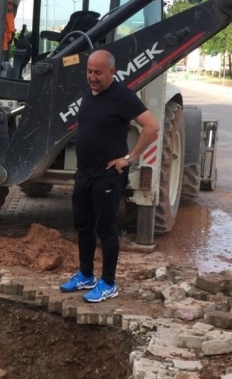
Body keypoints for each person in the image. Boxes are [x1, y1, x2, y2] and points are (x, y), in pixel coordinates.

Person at [60, 50, 159, 302]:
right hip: (84, 173)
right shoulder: (88, 93)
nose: (92, 77)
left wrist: (129, 158)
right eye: (89, 71)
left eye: (98, 73)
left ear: (112, 72)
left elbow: (152, 126)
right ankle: (86, 275)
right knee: (83, 226)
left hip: (108, 176)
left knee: (106, 229)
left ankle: (108, 283)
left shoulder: (122, 96)